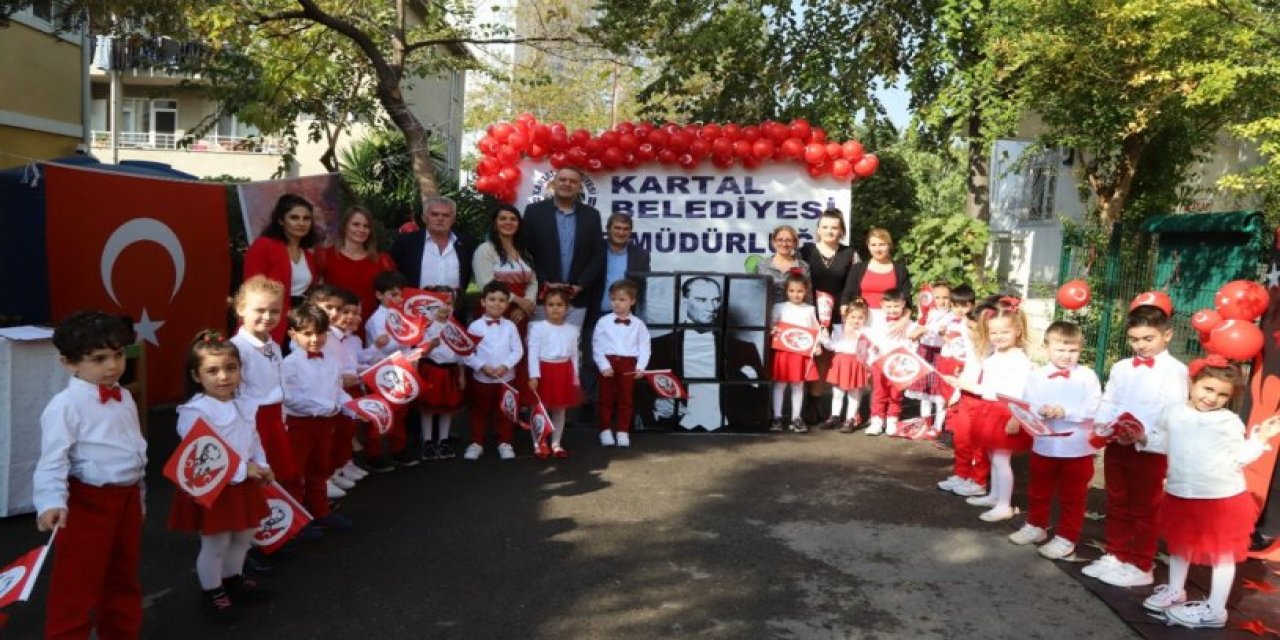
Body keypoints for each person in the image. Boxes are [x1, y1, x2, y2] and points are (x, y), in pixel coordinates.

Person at [1139, 357, 1280, 629]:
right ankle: (1175, 590)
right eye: (1208, 389)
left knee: (1222, 554)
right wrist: (1141, 438)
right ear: (1193, 383)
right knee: (1180, 545)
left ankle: (1215, 610)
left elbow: (1240, 457)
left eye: (1222, 394)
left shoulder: (1228, 422)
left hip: (1221, 497)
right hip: (1181, 494)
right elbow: (1163, 442)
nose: (1213, 398)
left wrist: (1261, 439)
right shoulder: (1172, 412)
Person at [33, 311, 146, 640]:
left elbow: (134, 450)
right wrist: (51, 502)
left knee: (123, 578)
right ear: (69, 363)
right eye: (99, 359)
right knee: (76, 586)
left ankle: (120, 633)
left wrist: (139, 498)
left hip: (125, 501)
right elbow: (53, 459)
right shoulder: (64, 406)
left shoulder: (122, 395)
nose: (112, 366)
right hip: (87, 505)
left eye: (118, 355)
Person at [166, 330, 273, 624]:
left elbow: (253, 438)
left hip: (244, 484)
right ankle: (212, 592)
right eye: (212, 371)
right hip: (215, 487)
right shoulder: (194, 411)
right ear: (197, 376)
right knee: (216, 544)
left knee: (244, 536)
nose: (223, 376)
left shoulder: (243, 403)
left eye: (231, 368)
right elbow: (200, 457)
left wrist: (262, 463)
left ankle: (233, 579)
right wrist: (244, 469)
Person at [1082, 304, 1188, 588]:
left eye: (1147, 338)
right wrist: (1103, 426)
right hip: (1118, 444)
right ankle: (1116, 553)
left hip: (1148, 451)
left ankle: (1141, 564)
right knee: (1117, 501)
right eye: (1134, 339)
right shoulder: (1121, 367)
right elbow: (1110, 400)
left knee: (1145, 509)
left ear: (1167, 335)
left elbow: (1174, 414)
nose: (1140, 345)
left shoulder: (1176, 371)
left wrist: (1146, 438)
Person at [1007, 321, 1102, 560]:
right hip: (1044, 444)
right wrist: (1039, 411)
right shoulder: (1037, 376)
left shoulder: (1087, 376)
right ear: (1046, 348)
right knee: (1039, 489)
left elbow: (1094, 407)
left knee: (1073, 496)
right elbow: (1029, 402)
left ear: (1080, 349)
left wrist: (1065, 411)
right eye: (1061, 350)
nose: (1067, 356)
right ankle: (1036, 525)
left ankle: (1067, 537)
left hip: (1077, 448)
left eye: (1073, 351)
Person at [944, 296, 1034, 522]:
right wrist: (962, 384)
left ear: (1017, 332)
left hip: (1005, 412)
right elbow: (989, 387)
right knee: (994, 456)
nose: (998, 337)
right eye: (994, 333)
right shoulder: (996, 356)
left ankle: (1004, 504)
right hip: (991, 409)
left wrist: (1015, 417)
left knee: (1002, 459)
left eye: (1004, 332)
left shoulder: (1019, 358)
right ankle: (995, 496)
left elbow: (1022, 391)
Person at [644, 276, 766, 430]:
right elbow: (640, 391)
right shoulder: (658, 346)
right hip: (673, 431)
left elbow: (760, 399)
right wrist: (655, 403)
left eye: (716, 300)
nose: (711, 307)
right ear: (684, 302)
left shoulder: (744, 349)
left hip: (729, 431)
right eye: (701, 300)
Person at [282, 304, 354, 534]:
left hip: (325, 424)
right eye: (307, 334)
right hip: (299, 425)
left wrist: (352, 407)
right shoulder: (289, 364)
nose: (315, 339)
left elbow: (338, 390)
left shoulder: (331, 361)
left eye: (320, 333)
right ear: (293, 334)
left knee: (320, 468)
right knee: (295, 472)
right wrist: (327, 405)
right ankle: (296, 519)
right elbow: (291, 398)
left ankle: (321, 511)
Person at [230, 276, 299, 509]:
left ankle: (283, 524)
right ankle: (262, 533)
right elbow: (236, 393)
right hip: (254, 420)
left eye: (274, 311)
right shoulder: (238, 349)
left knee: (280, 472)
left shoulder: (274, 345)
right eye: (259, 310)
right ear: (241, 309)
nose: (268, 317)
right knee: (261, 473)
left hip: (275, 418)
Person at [582, 213, 652, 405]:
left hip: (626, 317)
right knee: (591, 359)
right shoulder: (595, 251)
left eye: (625, 229)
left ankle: (619, 408)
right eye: (617, 228)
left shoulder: (641, 255)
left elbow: (643, 287)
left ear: (630, 232)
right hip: (596, 312)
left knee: (623, 362)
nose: (621, 232)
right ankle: (589, 406)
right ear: (608, 229)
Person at [523, 166, 604, 327]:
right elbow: (526, 252)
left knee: (571, 347)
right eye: (563, 179)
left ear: (580, 187)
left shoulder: (592, 215)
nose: (567, 184)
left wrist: (580, 285)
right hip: (543, 297)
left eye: (573, 181)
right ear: (554, 183)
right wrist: (544, 281)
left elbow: (597, 255)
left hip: (576, 299)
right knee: (541, 347)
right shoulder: (534, 212)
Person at [798, 209, 859, 422]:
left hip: (836, 314)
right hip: (807, 312)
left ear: (841, 231)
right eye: (825, 227)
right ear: (818, 230)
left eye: (834, 227)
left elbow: (852, 286)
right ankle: (803, 402)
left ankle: (819, 404)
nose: (829, 231)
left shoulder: (850, 254)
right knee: (805, 358)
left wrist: (846, 308)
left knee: (827, 360)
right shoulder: (805, 251)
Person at [243, 193, 320, 343]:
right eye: (294, 217)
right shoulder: (263, 245)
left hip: (299, 324)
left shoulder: (308, 254)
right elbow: (252, 287)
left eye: (306, 218)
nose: (301, 223)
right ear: (281, 221)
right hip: (269, 319)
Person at [361, 270, 418, 470]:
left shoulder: (402, 316)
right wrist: (412, 338)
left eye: (401, 294)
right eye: (393, 294)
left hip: (401, 369)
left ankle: (398, 448)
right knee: (381, 413)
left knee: (400, 412)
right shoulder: (377, 319)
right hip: (380, 372)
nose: (399, 299)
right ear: (379, 295)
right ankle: (373, 453)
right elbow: (386, 346)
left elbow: (408, 344)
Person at [463, 282, 524, 460]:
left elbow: (518, 350)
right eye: (492, 299)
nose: (497, 304)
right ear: (483, 302)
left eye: (502, 300)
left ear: (506, 304)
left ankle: (504, 442)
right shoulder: (475, 326)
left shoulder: (510, 327)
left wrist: (505, 366)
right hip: (482, 378)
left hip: (506, 378)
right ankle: (477, 443)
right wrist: (482, 366)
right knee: (479, 411)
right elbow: (467, 352)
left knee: (505, 411)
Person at [390, 195, 477, 318]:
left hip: (454, 315)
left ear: (453, 219)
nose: (440, 219)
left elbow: (466, 277)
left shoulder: (466, 244)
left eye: (446, 215)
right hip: (414, 314)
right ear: (424, 218)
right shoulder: (406, 243)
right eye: (434, 214)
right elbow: (395, 276)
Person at [936, 286, 986, 497]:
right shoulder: (966, 339)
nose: (972, 334)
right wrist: (959, 382)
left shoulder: (991, 352)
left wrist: (964, 384)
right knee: (962, 437)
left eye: (976, 330)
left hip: (981, 399)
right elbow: (969, 367)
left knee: (980, 442)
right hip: (965, 394)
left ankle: (978, 479)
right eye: (970, 329)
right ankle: (961, 473)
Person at [315, 205, 397, 330]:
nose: (361, 229)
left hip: (374, 328)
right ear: (345, 226)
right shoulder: (325, 256)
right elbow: (316, 294)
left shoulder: (383, 261)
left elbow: (394, 296)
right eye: (356, 224)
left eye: (366, 226)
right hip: (335, 328)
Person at [592, 279, 650, 448]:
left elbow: (644, 347)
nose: (616, 303)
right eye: (613, 299)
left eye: (621, 299)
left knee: (625, 399)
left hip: (628, 364)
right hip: (608, 363)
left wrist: (640, 367)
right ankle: (605, 430)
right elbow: (597, 345)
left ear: (632, 301)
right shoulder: (603, 322)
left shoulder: (639, 325)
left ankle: (623, 431)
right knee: (606, 398)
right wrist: (603, 365)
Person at [527, 288, 584, 458]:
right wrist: (533, 375)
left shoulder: (572, 330)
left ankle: (556, 443)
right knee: (539, 409)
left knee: (560, 409)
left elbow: (574, 355)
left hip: (563, 372)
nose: (555, 308)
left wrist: (575, 377)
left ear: (567, 307)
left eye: (560, 305)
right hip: (543, 371)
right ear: (545, 307)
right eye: (550, 305)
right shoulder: (537, 328)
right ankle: (538, 443)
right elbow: (533, 353)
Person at [416, 289, 466, 461]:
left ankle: (443, 440)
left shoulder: (456, 328)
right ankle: (427, 441)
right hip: (431, 370)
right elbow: (418, 351)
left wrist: (461, 374)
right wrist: (429, 346)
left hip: (450, 371)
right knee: (428, 408)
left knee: (447, 408)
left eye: (449, 303)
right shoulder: (425, 327)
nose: (445, 307)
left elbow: (461, 353)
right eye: (440, 304)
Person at [769, 272, 823, 433]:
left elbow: (816, 329)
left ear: (806, 291)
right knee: (779, 385)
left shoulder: (810, 309)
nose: (796, 294)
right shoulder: (779, 307)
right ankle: (777, 417)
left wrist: (817, 344)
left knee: (798, 386)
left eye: (799, 291)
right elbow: (772, 325)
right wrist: (773, 330)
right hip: (783, 353)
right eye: (792, 291)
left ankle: (796, 418)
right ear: (786, 291)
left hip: (801, 354)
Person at [327, 288, 370, 490]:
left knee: (347, 430)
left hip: (349, 387)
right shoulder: (329, 338)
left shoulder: (351, 338)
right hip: (337, 391)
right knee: (336, 433)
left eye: (357, 313)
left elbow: (354, 362)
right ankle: (332, 473)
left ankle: (345, 464)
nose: (352, 317)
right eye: (347, 312)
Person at [472, 204, 539, 326]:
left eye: (513, 219)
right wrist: (518, 300)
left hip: (521, 312)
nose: (508, 222)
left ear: (519, 224)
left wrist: (527, 303)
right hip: (495, 308)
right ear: (495, 224)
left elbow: (533, 282)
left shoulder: (525, 252)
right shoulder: (485, 249)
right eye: (502, 218)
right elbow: (486, 283)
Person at [863, 288, 914, 436]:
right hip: (879, 362)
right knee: (879, 391)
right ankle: (877, 420)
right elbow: (870, 339)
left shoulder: (908, 323)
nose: (892, 310)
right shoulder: (877, 321)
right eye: (889, 306)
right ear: (882, 306)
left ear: (903, 304)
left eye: (896, 306)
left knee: (896, 392)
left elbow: (914, 334)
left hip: (899, 364)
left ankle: (892, 419)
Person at [840, 227, 912, 332]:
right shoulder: (857, 269)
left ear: (889, 246)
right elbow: (846, 296)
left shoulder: (900, 270)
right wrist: (847, 322)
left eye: (882, 244)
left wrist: (903, 321)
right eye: (873, 245)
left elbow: (907, 300)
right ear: (868, 246)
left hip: (891, 323)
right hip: (861, 321)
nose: (878, 249)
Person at [822, 299, 873, 433]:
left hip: (856, 363)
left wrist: (868, 366)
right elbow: (832, 346)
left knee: (854, 394)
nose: (856, 321)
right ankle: (834, 416)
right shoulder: (839, 328)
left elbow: (868, 351)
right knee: (837, 393)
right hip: (839, 362)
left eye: (860, 318)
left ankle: (850, 419)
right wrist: (824, 338)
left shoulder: (866, 332)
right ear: (846, 316)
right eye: (853, 317)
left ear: (865, 318)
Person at [907, 283, 952, 433]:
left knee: (939, 392)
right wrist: (916, 332)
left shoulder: (950, 316)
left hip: (941, 354)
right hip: (925, 352)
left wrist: (925, 329)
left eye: (946, 297)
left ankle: (938, 425)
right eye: (937, 297)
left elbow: (941, 329)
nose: (942, 301)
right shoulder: (926, 313)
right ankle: (925, 421)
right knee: (924, 392)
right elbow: (916, 329)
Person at [754, 225, 811, 305]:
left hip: (795, 314)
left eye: (789, 240)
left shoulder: (803, 267)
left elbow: (808, 296)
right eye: (780, 240)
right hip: (769, 314)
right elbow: (756, 294)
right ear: (774, 242)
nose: (784, 244)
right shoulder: (762, 266)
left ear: (795, 243)